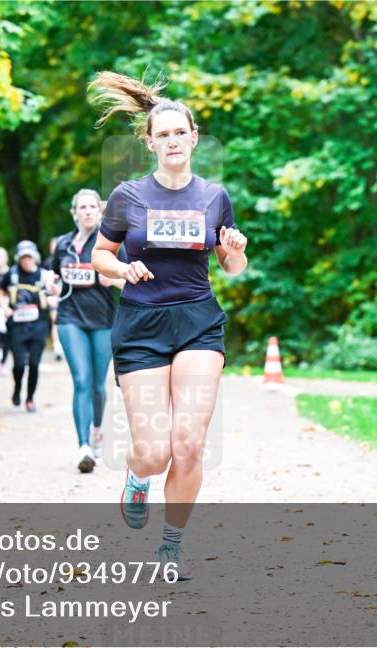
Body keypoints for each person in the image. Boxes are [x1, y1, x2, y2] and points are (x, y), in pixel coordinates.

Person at [88, 72, 248, 577]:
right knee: (156, 452)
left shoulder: (214, 196)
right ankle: (139, 477)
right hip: (140, 324)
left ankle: (171, 544)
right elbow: (100, 255)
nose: (173, 141)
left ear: (193, 138)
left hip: (198, 321)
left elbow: (229, 265)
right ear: (150, 142)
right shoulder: (127, 196)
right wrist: (122, 268)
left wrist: (236, 252)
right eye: (164, 134)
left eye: (181, 133)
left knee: (189, 443)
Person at [52, 189, 127, 474]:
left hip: (103, 319)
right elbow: (53, 274)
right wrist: (50, 281)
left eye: (91, 207)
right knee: (81, 380)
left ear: (99, 212)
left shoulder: (110, 244)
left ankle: (97, 429)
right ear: (74, 213)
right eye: (81, 207)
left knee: (98, 385)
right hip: (70, 318)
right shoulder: (63, 244)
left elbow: (130, 276)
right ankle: (83, 446)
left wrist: (115, 277)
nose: (86, 211)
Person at [3, 241, 54, 412]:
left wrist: (52, 297)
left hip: (39, 325)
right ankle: (17, 388)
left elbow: (55, 293)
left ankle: (30, 399)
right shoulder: (12, 274)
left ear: (35, 258)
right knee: (18, 364)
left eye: (29, 257)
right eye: (23, 257)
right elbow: (0, 292)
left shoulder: (44, 275)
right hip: (17, 326)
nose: (27, 261)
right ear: (19, 258)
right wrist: (4, 307)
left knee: (33, 364)